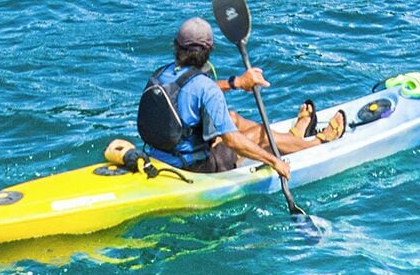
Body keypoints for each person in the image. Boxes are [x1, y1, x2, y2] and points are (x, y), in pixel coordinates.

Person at [109, 16, 345, 176]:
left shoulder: (163, 74)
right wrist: (274, 162)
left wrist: (237, 83)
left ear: (177, 47)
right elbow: (232, 141)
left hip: (161, 155)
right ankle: (318, 142)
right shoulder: (205, 88)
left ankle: (292, 138)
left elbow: (191, 90)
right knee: (259, 134)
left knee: (232, 116)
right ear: (209, 51)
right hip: (196, 168)